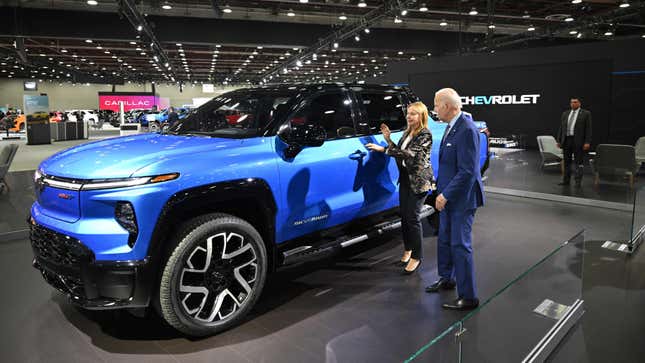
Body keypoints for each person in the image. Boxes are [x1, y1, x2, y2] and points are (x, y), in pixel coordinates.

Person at [425, 88, 484, 311]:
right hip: (447, 196)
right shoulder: (451, 127)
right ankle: (446, 278)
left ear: (447, 106)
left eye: (436, 105)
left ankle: (468, 297)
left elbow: (468, 171)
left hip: (462, 198)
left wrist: (446, 194)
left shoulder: (467, 129)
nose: (435, 109)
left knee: (460, 245)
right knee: (445, 239)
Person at [366, 102, 434, 274]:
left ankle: (417, 257)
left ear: (422, 116)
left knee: (413, 218)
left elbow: (409, 154)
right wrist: (388, 139)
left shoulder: (425, 134)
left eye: (414, 114)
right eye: (409, 113)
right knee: (404, 216)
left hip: (419, 182)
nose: (409, 116)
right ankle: (408, 249)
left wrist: (384, 148)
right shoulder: (407, 132)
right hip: (405, 178)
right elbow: (399, 150)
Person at [556, 97, 592, 188]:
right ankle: (566, 181)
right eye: (571, 102)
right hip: (566, 140)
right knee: (566, 162)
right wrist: (559, 140)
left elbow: (588, 129)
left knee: (578, 162)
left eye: (575, 102)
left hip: (578, 141)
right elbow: (561, 128)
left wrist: (587, 142)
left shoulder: (585, 113)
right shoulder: (565, 113)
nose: (573, 104)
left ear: (579, 103)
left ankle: (577, 182)